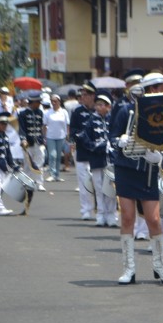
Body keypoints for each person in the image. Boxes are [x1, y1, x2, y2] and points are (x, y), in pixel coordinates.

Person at [109, 72, 163, 284]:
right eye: (154, 87)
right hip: (126, 168)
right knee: (127, 217)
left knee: (154, 219)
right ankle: (129, 268)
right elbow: (112, 136)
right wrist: (121, 141)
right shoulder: (126, 110)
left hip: (148, 170)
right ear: (146, 90)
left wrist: (160, 156)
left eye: (161, 87)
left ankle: (159, 265)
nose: (158, 91)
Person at [77, 94, 117, 228]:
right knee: (99, 188)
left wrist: (113, 145)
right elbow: (85, 138)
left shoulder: (113, 120)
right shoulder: (91, 121)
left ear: (108, 107)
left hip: (111, 159)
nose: (99, 107)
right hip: (96, 159)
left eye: (102, 104)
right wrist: (96, 147)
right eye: (97, 104)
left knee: (110, 189)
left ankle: (111, 215)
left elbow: (117, 136)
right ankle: (100, 214)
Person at [71, 83, 98, 220]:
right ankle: (86, 209)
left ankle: (101, 210)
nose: (83, 97)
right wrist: (80, 137)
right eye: (82, 95)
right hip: (82, 151)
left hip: (97, 152)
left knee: (99, 183)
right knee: (83, 182)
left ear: (93, 96)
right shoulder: (77, 111)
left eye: (86, 95)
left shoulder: (98, 110)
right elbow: (73, 131)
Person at [18, 93, 47, 191]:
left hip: (38, 141)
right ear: (32, 102)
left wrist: (43, 138)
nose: (39, 104)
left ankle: (39, 183)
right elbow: (21, 128)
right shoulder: (23, 113)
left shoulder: (40, 112)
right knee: (27, 164)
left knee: (40, 163)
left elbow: (41, 127)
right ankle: (27, 182)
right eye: (37, 102)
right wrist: (23, 139)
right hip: (28, 142)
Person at [44, 94, 69, 182]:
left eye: (55, 101)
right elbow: (44, 125)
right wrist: (44, 137)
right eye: (52, 101)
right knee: (52, 155)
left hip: (61, 136)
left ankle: (57, 175)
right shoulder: (47, 112)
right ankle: (51, 174)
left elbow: (67, 124)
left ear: (59, 102)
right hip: (50, 136)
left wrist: (67, 135)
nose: (53, 103)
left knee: (58, 156)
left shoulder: (64, 112)